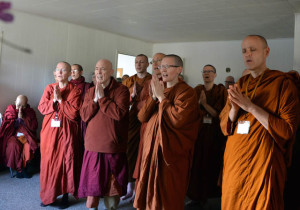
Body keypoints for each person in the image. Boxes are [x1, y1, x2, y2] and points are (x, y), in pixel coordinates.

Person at [219, 35, 299, 210]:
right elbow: (224, 126)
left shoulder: (283, 84)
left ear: (266, 52)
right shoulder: (240, 84)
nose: (248, 54)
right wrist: (234, 108)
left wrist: (251, 107)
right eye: (244, 51)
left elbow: (287, 130)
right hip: (236, 158)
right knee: (233, 199)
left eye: (253, 50)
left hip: (263, 159)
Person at [134, 54, 199, 210]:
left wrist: (161, 97)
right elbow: (142, 116)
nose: (162, 70)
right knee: (147, 189)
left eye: (167, 67)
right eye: (161, 66)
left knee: (168, 194)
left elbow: (178, 119)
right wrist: (154, 96)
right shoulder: (159, 88)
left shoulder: (187, 92)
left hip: (169, 154)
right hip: (151, 150)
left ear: (179, 69)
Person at [78, 59, 130, 210]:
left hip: (112, 145)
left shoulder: (121, 90)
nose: (99, 72)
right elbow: (84, 115)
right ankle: (91, 207)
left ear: (111, 72)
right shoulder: (90, 91)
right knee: (92, 182)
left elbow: (118, 113)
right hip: (93, 144)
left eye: (103, 69)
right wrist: (94, 100)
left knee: (112, 184)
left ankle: (111, 208)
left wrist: (102, 99)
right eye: (97, 69)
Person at [38, 61, 82, 208]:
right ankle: (47, 196)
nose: (60, 72)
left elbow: (74, 112)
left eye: (64, 70)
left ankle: (64, 196)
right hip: (50, 131)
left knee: (64, 163)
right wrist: (53, 101)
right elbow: (42, 108)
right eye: (58, 70)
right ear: (54, 73)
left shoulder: (75, 90)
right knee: (48, 163)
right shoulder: (49, 88)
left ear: (70, 74)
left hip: (66, 131)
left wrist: (61, 101)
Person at [187, 65, 227, 205]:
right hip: (198, 134)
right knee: (197, 165)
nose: (207, 74)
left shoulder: (220, 91)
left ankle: (211, 197)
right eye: (204, 71)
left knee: (212, 163)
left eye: (210, 71)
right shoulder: (197, 90)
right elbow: (190, 113)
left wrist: (203, 104)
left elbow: (219, 114)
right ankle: (195, 196)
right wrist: (199, 105)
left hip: (214, 136)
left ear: (215, 75)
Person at [121, 54, 152, 200]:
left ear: (147, 64)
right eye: (136, 62)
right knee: (130, 153)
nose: (138, 64)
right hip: (131, 122)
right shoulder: (128, 81)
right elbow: (121, 101)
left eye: (141, 62)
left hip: (147, 120)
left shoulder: (152, 80)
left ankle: (142, 189)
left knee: (146, 154)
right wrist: (131, 98)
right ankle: (129, 188)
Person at [133, 52, 165, 187]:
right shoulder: (148, 83)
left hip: (163, 130)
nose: (156, 64)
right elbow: (140, 108)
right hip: (146, 127)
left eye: (160, 61)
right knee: (144, 160)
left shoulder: (177, 85)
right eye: (154, 62)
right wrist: (152, 99)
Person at [0, 95, 38, 178]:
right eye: (18, 105)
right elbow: (6, 126)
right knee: (13, 145)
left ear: (27, 105)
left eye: (23, 106)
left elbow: (34, 126)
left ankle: (24, 168)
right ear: (15, 103)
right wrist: (17, 120)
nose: (20, 108)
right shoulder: (10, 110)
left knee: (27, 145)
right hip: (12, 134)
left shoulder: (30, 112)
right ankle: (19, 169)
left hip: (24, 135)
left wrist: (23, 120)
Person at [70, 64, 91, 139]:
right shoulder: (67, 85)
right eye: (71, 70)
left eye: (75, 70)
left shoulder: (88, 86)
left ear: (81, 72)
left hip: (82, 117)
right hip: (70, 117)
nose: (72, 73)